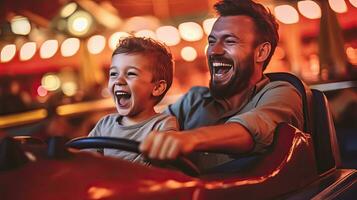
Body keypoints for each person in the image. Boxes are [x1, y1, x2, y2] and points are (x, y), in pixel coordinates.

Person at [140, 0, 304, 171]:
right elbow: (149, 130)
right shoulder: (194, 100)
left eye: (230, 41)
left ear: (261, 52)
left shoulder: (282, 93)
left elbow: (249, 131)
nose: (214, 51)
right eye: (211, 42)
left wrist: (189, 139)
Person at [88, 37, 178, 165]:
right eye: (113, 74)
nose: (118, 81)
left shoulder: (163, 124)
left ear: (157, 88)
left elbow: (166, 159)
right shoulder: (104, 125)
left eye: (131, 73)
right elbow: (86, 161)